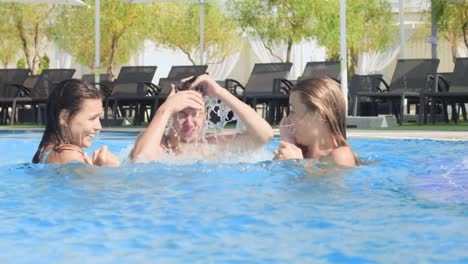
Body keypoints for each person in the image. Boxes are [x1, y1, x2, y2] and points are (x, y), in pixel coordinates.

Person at [130, 74, 273, 162]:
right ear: (170, 117)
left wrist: (220, 92)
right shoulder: (157, 145)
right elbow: (139, 160)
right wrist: (165, 109)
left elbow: (264, 136)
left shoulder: (212, 146)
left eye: (196, 114)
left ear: (205, 116)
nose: (189, 123)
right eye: (182, 114)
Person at [32, 79, 120, 167]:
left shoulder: (46, 149)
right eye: (92, 118)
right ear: (64, 118)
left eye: (99, 118)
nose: (99, 127)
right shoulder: (69, 155)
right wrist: (109, 169)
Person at [273, 77, 357, 167]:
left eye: (293, 111)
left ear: (320, 114)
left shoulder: (341, 156)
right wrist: (288, 143)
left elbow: (323, 181)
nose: (288, 119)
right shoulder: (300, 151)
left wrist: (295, 163)